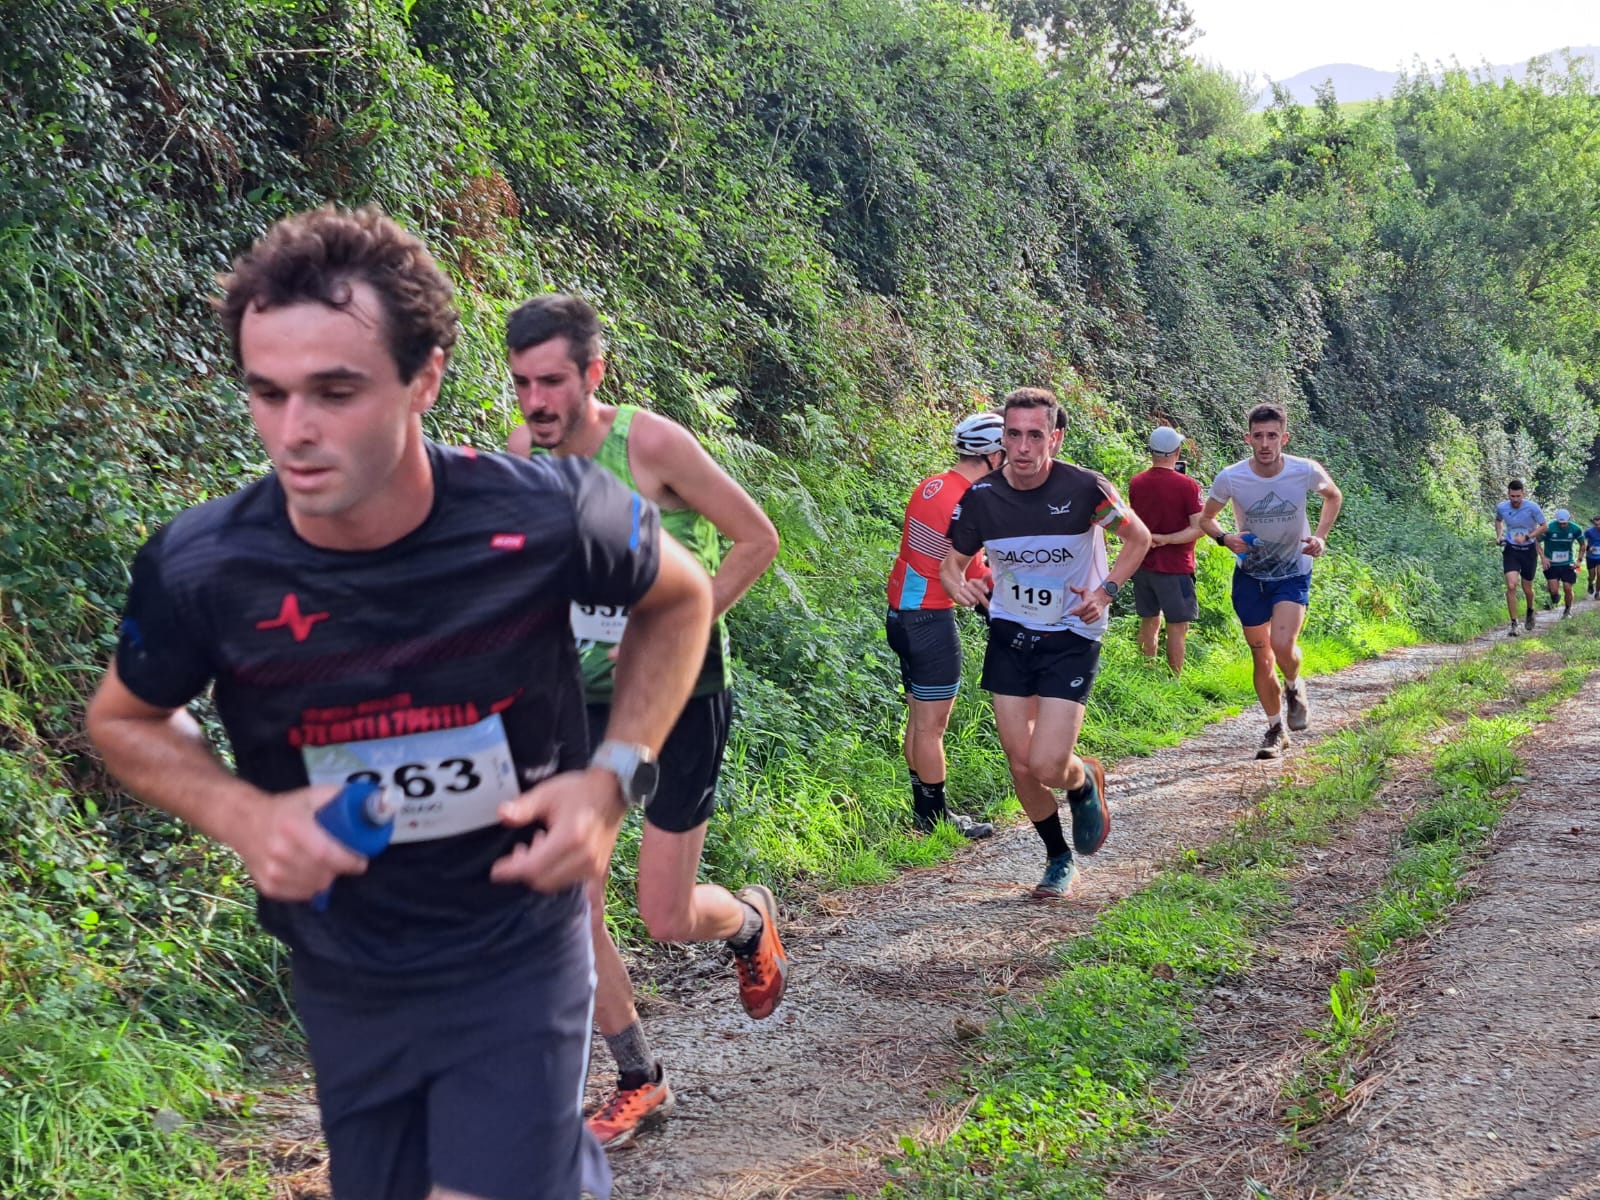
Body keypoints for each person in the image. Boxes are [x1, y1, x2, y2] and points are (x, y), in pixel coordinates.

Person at [85, 208, 715, 1200]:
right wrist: (241, 814)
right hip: (346, 968)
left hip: (516, 942)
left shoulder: (545, 511)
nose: (295, 431)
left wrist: (611, 777)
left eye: (336, 392)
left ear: (423, 379)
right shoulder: (207, 567)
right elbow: (122, 717)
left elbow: (677, 602)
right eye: (267, 392)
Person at [504, 294, 785, 1152]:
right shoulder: (522, 456)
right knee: (568, 898)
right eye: (520, 383)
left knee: (662, 914)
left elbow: (756, 539)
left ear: (595, 374)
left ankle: (745, 922)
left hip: (681, 701)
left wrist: (675, 626)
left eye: (552, 381)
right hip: (575, 705)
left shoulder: (651, 445)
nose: (535, 402)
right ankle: (638, 1078)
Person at [940, 388, 1151, 901]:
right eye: (1014, 434)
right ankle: (1058, 860)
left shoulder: (1084, 490)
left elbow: (1138, 538)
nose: (1024, 447)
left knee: (1047, 764)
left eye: (1036, 435)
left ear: (1054, 438)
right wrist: (958, 584)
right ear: (1002, 438)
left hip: (1072, 633)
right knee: (1019, 761)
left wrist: (1105, 592)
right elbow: (950, 561)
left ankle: (1081, 782)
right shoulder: (983, 498)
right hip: (1011, 633)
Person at [884, 412, 1006, 840]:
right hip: (929, 620)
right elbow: (973, 573)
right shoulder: (970, 500)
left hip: (900, 614)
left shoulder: (931, 484)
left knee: (919, 719)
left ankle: (923, 813)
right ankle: (936, 820)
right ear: (992, 456)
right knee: (933, 726)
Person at [1198, 403, 1342, 760]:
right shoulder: (1231, 477)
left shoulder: (1303, 470)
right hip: (1250, 575)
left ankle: (1294, 685)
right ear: (1248, 438)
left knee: (1282, 644)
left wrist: (1320, 537)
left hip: (1293, 571)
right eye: (1258, 436)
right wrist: (1224, 538)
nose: (1265, 443)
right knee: (1261, 657)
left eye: (1272, 436)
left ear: (1284, 438)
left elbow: (1332, 495)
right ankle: (1276, 729)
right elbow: (1207, 519)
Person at [1126, 425, 1205, 674]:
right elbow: (1199, 528)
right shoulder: (1188, 486)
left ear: (1151, 451)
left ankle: (1146, 674)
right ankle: (1174, 679)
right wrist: (1167, 539)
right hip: (1176, 567)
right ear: (1177, 451)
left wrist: (1153, 538)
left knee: (1148, 620)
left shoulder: (1136, 482)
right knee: (1177, 626)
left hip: (1142, 563)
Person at [1494, 480, 1546, 637]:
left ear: (1523, 493)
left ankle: (1530, 610)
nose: (1515, 500)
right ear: (1508, 494)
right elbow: (1498, 520)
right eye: (1512, 496)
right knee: (1511, 586)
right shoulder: (1502, 507)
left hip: (1529, 551)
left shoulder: (1532, 507)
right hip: (1511, 551)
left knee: (1527, 588)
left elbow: (1544, 526)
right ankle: (1514, 623)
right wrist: (1499, 535)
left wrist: (1528, 536)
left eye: (1518, 496)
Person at [1541, 508, 1584, 619]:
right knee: (1554, 590)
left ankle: (1567, 610)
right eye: (1560, 523)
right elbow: (1536, 542)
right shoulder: (1549, 527)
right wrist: (1543, 557)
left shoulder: (1575, 529)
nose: (1562, 525)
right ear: (1556, 520)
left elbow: (1583, 545)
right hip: (1552, 564)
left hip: (1567, 563)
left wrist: (1579, 561)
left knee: (1568, 587)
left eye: (1564, 523)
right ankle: (1554, 596)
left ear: (1568, 519)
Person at [1584, 515, 1600, 599]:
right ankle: (1590, 583)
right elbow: (1582, 541)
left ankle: (1597, 593)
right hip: (1591, 557)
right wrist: (1588, 548)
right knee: (1592, 576)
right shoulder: (1589, 531)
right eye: (1596, 525)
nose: (1598, 526)